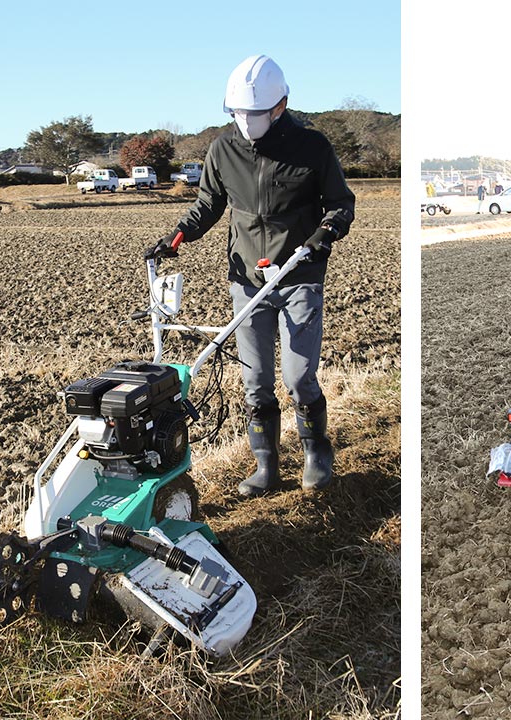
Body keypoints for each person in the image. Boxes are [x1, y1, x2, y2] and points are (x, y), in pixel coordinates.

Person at [146, 54, 355, 497]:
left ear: (280, 106)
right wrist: (178, 235)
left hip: (299, 270)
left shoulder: (312, 147)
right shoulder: (223, 149)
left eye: (255, 113)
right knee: (255, 378)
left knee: (298, 375)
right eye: (238, 113)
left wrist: (324, 234)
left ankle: (317, 451)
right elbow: (209, 203)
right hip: (247, 277)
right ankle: (266, 464)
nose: (246, 121)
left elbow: (341, 203)